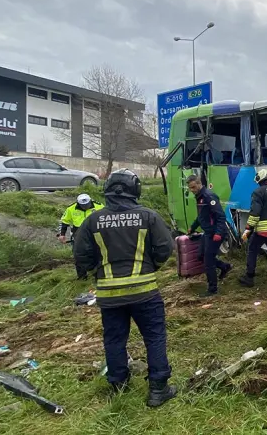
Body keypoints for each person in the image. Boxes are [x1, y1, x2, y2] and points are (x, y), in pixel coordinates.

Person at [74, 169, 177, 407]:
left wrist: (97, 273)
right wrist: (152, 267)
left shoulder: (92, 220)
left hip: (110, 295)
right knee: (154, 337)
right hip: (145, 292)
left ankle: (119, 384)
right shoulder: (148, 216)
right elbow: (165, 248)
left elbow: (81, 255)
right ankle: (158, 390)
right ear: (135, 190)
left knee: (114, 339)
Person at [186, 174, 232, 297]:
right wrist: (193, 227)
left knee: (208, 261)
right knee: (201, 256)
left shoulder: (208, 196)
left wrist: (218, 233)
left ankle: (213, 289)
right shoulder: (199, 197)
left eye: (193, 187)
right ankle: (225, 266)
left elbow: (221, 216)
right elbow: (201, 216)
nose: (192, 190)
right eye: (190, 188)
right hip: (207, 233)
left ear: (199, 184)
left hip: (215, 233)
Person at [58, 193, 104, 280]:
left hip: (95, 233)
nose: (85, 207)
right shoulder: (71, 208)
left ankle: (98, 275)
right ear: (78, 203)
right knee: (79, 256)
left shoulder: (99, 206)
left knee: (98, 254)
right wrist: (62, 234)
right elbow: (64, 221)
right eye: (83, 205)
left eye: (87, 205)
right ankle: (82, 277)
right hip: (78, 234)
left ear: (90, 201)